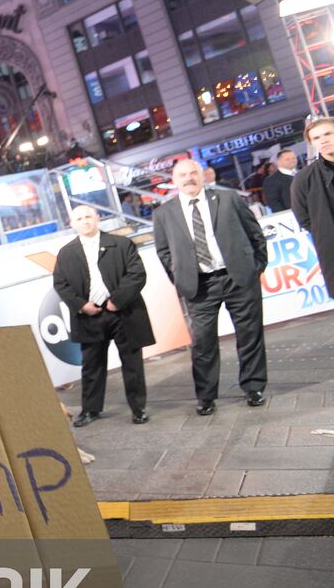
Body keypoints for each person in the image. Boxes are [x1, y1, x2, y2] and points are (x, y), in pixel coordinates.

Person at [153, 157, 269, 415]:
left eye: (193, 173)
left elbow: (255, 234)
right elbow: (163, 251)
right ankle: (206, 396)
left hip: (238, 278)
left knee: (249, 335)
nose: (189, 178)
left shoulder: (228, 199)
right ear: (174, 180)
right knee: (202, 343)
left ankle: (254, 387)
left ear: (202, 175)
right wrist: (181, 278)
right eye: (182, 175)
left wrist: (256, 267)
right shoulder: (164, 213)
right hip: (199, 286)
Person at [51, 205, 154, 427]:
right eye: (79, 218)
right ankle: (90, 410)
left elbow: (137, 274)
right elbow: (60, 283)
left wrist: (117, 300)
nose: (85, 221)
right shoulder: (66, 253)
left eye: (89, 216)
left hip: (123, 311)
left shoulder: (122, 244)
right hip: (89, 315)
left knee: (132, 363)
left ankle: (138, 408)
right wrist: (80, 305)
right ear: (72, 224)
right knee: (92, 366)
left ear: (97, 218)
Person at [291, 116, 334, 296]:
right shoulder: (303, 179)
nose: (323, 140)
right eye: (316, 138)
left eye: (328, 134)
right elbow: (304, 219)